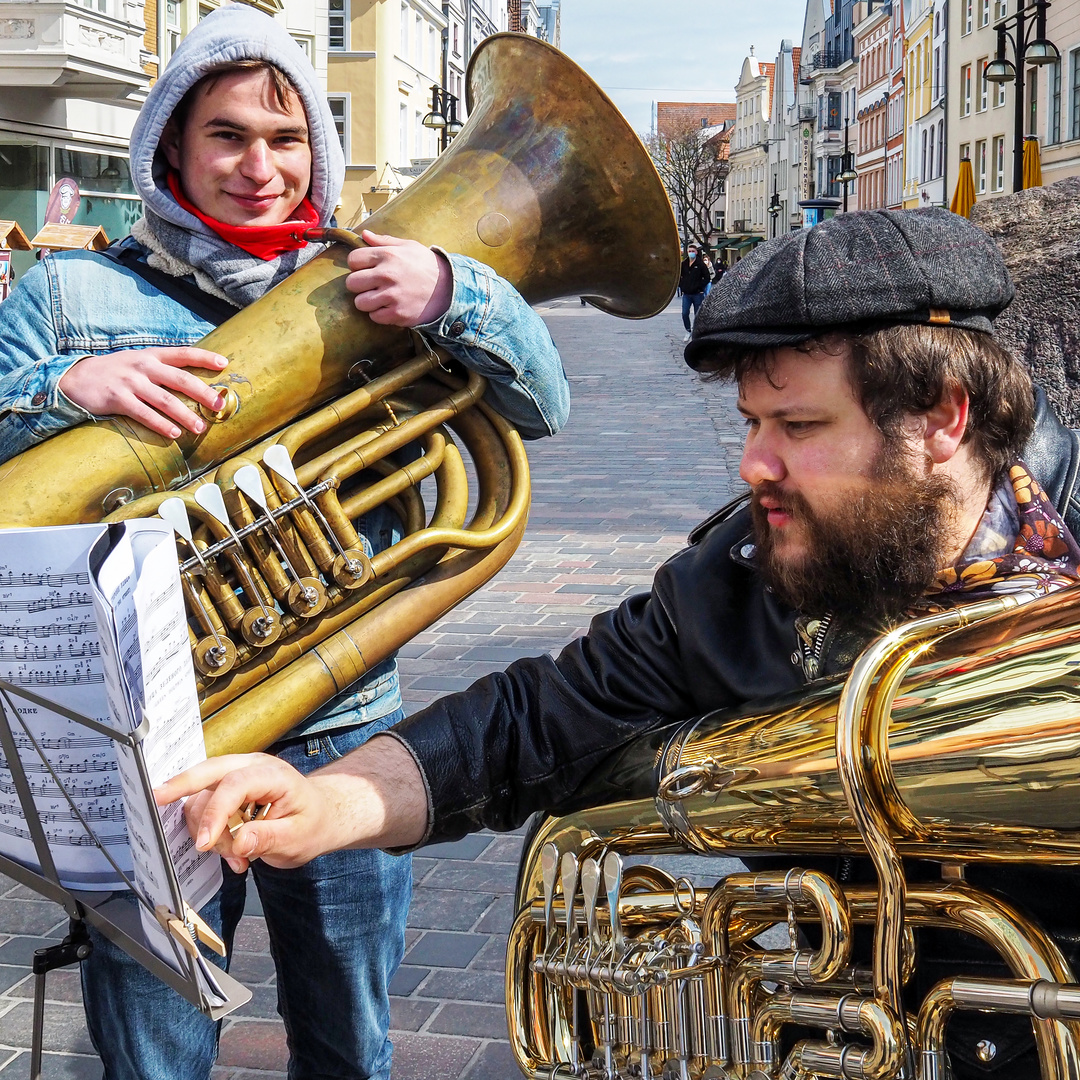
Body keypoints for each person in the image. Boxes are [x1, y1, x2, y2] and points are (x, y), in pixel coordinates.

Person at [163, 208, 1080, 1079]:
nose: (757, 462)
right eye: (752, 423)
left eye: (799, 426)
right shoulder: (736, 577)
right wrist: (328, 799)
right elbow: (538, 721)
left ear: (941, 419)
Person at [0, 7, 569, 1079]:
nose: (259, 166)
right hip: (140, 738)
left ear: (318, 148)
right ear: (172, 144)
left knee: (350, 1043)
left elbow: (543, 406)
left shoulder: (379, 273)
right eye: (227, 135)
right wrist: (55, 390)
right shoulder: (66, 293)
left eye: (286, 136)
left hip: (340, 724)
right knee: (153, 1050)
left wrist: (456, 294)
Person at [678, 242, 710, 343]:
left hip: (697, 294)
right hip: (687, 294)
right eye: (689, 251)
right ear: (687, 252)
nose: (691, 253)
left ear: (696, 252)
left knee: (698, 315)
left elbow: (707, 277)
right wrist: (681, 285)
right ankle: (688, 330)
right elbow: (678, 276)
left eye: (693, 251)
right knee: (684, 313)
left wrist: (700, 287)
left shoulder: (700, 264)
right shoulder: (683, 264)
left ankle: (697, 333)